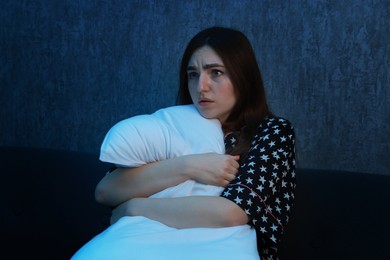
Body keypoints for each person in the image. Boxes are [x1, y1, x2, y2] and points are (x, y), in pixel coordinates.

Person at [72, 26, 296, 260]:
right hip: (148, 247)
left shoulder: (273, 131)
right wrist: (189, 166)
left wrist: (132, 208)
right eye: (193, 74)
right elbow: (106, 191)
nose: (201, 87)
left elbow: (231, 212)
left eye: (216, 72)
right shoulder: (174, 124)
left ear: (243, 77)